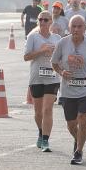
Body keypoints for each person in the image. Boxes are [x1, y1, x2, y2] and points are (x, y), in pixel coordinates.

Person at [50, 15, 86, 165]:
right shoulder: (62, 43)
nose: (76, 29)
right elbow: (54, 63)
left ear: (85, 28)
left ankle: (79, 151)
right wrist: (61, 72)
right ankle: (78, 139)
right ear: (69, 28)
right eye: (73, 26)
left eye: (79, 26)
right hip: (68, 90)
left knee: (83, 117)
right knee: (71, 124)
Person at [24, 10, 61, 152]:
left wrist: (55, 54)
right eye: (40, 19)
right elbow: (26, 57)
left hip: (52, 77)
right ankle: (41, 132)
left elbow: (61, 57)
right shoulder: (32, 37)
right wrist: (41, 50)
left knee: (47, 109)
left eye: (45, 20)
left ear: (51, 22)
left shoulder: (57, 38)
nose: (42, 22)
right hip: (36, 78)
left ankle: (45, 139)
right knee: (38, 111)